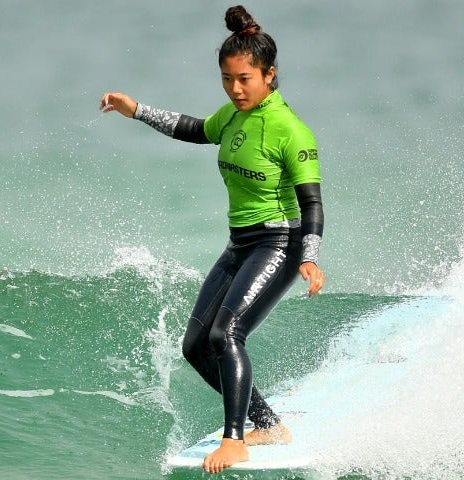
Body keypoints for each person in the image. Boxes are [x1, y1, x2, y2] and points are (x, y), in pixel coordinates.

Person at [100, 5, 325, 474]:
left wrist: (310, 256)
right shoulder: (234, 116)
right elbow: (193, 128)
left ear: (269, 75)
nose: (235, 88)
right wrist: (135, 110)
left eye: (244, 78)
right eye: (227, 78)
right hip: (240, 243)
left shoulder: (290, 130)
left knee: (227, 335)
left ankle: (236, 439)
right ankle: (268, 424)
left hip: (279, 243)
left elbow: (312, 204)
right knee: (196, 345)